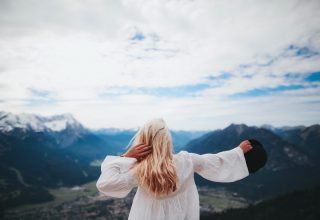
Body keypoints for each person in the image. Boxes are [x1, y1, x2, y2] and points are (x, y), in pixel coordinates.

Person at [96, 118, 253, 220]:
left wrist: (126, 157)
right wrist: (237, 152)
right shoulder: (187, 161)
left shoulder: (140, 171)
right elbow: (215, 161)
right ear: (167, 140)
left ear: (143, 141)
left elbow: (106, 184)